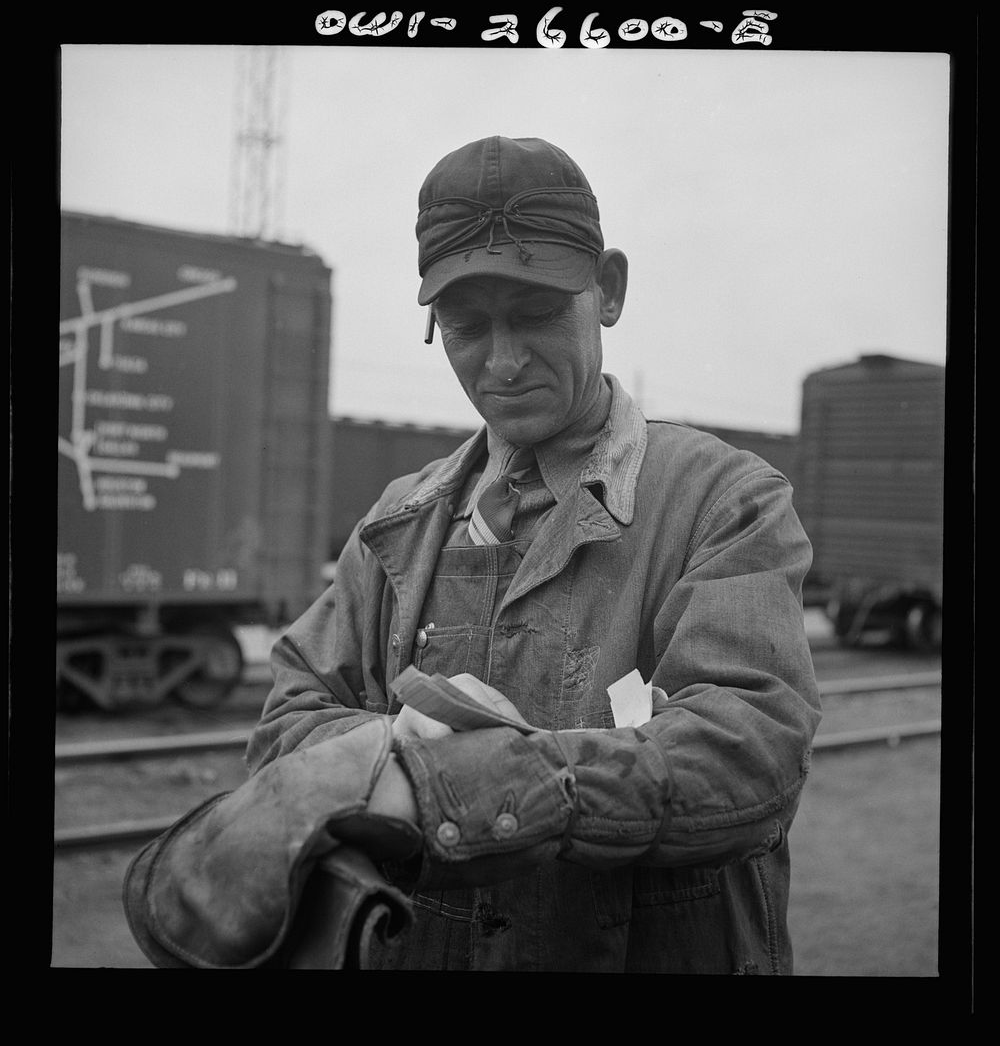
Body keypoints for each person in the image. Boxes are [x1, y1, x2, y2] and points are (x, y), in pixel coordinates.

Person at [124, 135, 821, 973]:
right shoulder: (402, 520)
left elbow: (750, 748)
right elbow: (289, 716)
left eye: (533, 315)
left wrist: (440, 782)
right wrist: (382, 748)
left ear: (608, 290)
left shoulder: (725, 500)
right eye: (465, 326)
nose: (502, 361)